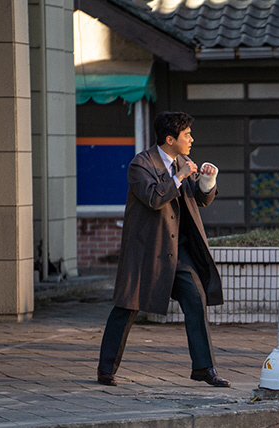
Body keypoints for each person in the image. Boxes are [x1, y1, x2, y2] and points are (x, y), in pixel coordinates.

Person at [97, 111, 230, 387]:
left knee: (196, 298)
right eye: (187, 135)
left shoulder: (184, 161)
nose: (191, 139)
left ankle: (204, 368)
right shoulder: (140, 164)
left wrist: (208, 180)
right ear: (170, 139)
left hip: (178, 251)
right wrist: (180, 175)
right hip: (147, 250)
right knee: (127, 307)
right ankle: (106, 368)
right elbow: (153, 198)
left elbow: (201, 199)